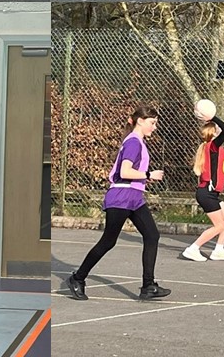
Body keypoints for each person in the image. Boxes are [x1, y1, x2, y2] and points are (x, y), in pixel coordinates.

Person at [65, 104, 171, 301]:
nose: (154, 127)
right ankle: (77, 278)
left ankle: (148, 286)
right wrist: (149, 174)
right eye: (152, 123)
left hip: (134, 198)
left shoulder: (138, 141)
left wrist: (143, 178)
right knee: (108, 241)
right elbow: (124, 172)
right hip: (121, 197)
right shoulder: (133, 142)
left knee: (152, 235)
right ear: (140, 121)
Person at [181, 100, 224, 262]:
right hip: (207, 192)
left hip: (211, 192)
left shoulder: (214, 148)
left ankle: (218, 250)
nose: (220, 130)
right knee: (219, 225)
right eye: (216, 129)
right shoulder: (212, 146)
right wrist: (212, 117)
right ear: (213, 133)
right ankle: (193, 248)